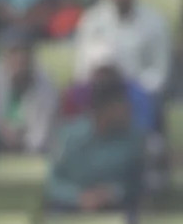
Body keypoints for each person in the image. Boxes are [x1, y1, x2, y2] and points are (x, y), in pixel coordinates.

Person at [45, 73, 145, 213]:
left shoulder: (133, 139)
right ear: (104, 109)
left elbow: (137, 183)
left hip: (115, 208)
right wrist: (79, 197)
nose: (129, 109)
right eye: (122, 104)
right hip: (73, 207)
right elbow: (52, 182)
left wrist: (112, 193)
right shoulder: (69, 136)